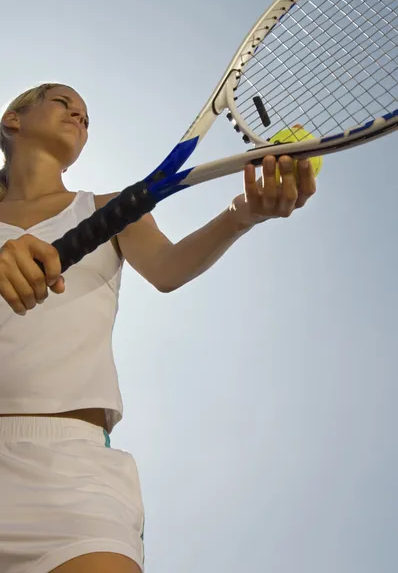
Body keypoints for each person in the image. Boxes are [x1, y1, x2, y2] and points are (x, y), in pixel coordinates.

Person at [0, 83, 316, 573]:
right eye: (63, 103)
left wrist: (243, 214)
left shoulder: (108, 208)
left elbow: (168, 269)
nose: (79, 116)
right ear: (13, 120)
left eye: (86, 115)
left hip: (70, 470)